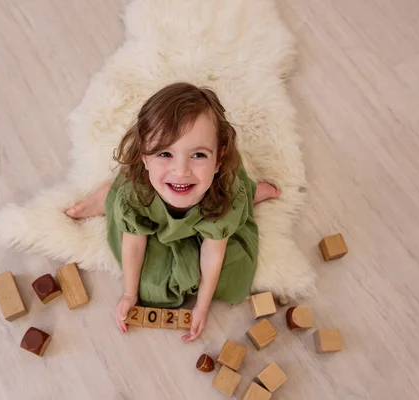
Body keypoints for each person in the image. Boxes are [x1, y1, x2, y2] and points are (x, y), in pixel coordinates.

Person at [66, 82, 280, 342]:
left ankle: (251, 194)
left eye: (199, 155)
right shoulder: (137, 192)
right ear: (144, 156)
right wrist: (129, 294)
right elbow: (133, 245)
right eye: (165, 153)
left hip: (211, 207)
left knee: (232, 277)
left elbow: (214, 251)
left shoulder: (224, 191)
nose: (181, 171)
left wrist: (202, 306)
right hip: (152, 215)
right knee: (151, 287)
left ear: (219, 159)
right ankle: (105, 197)